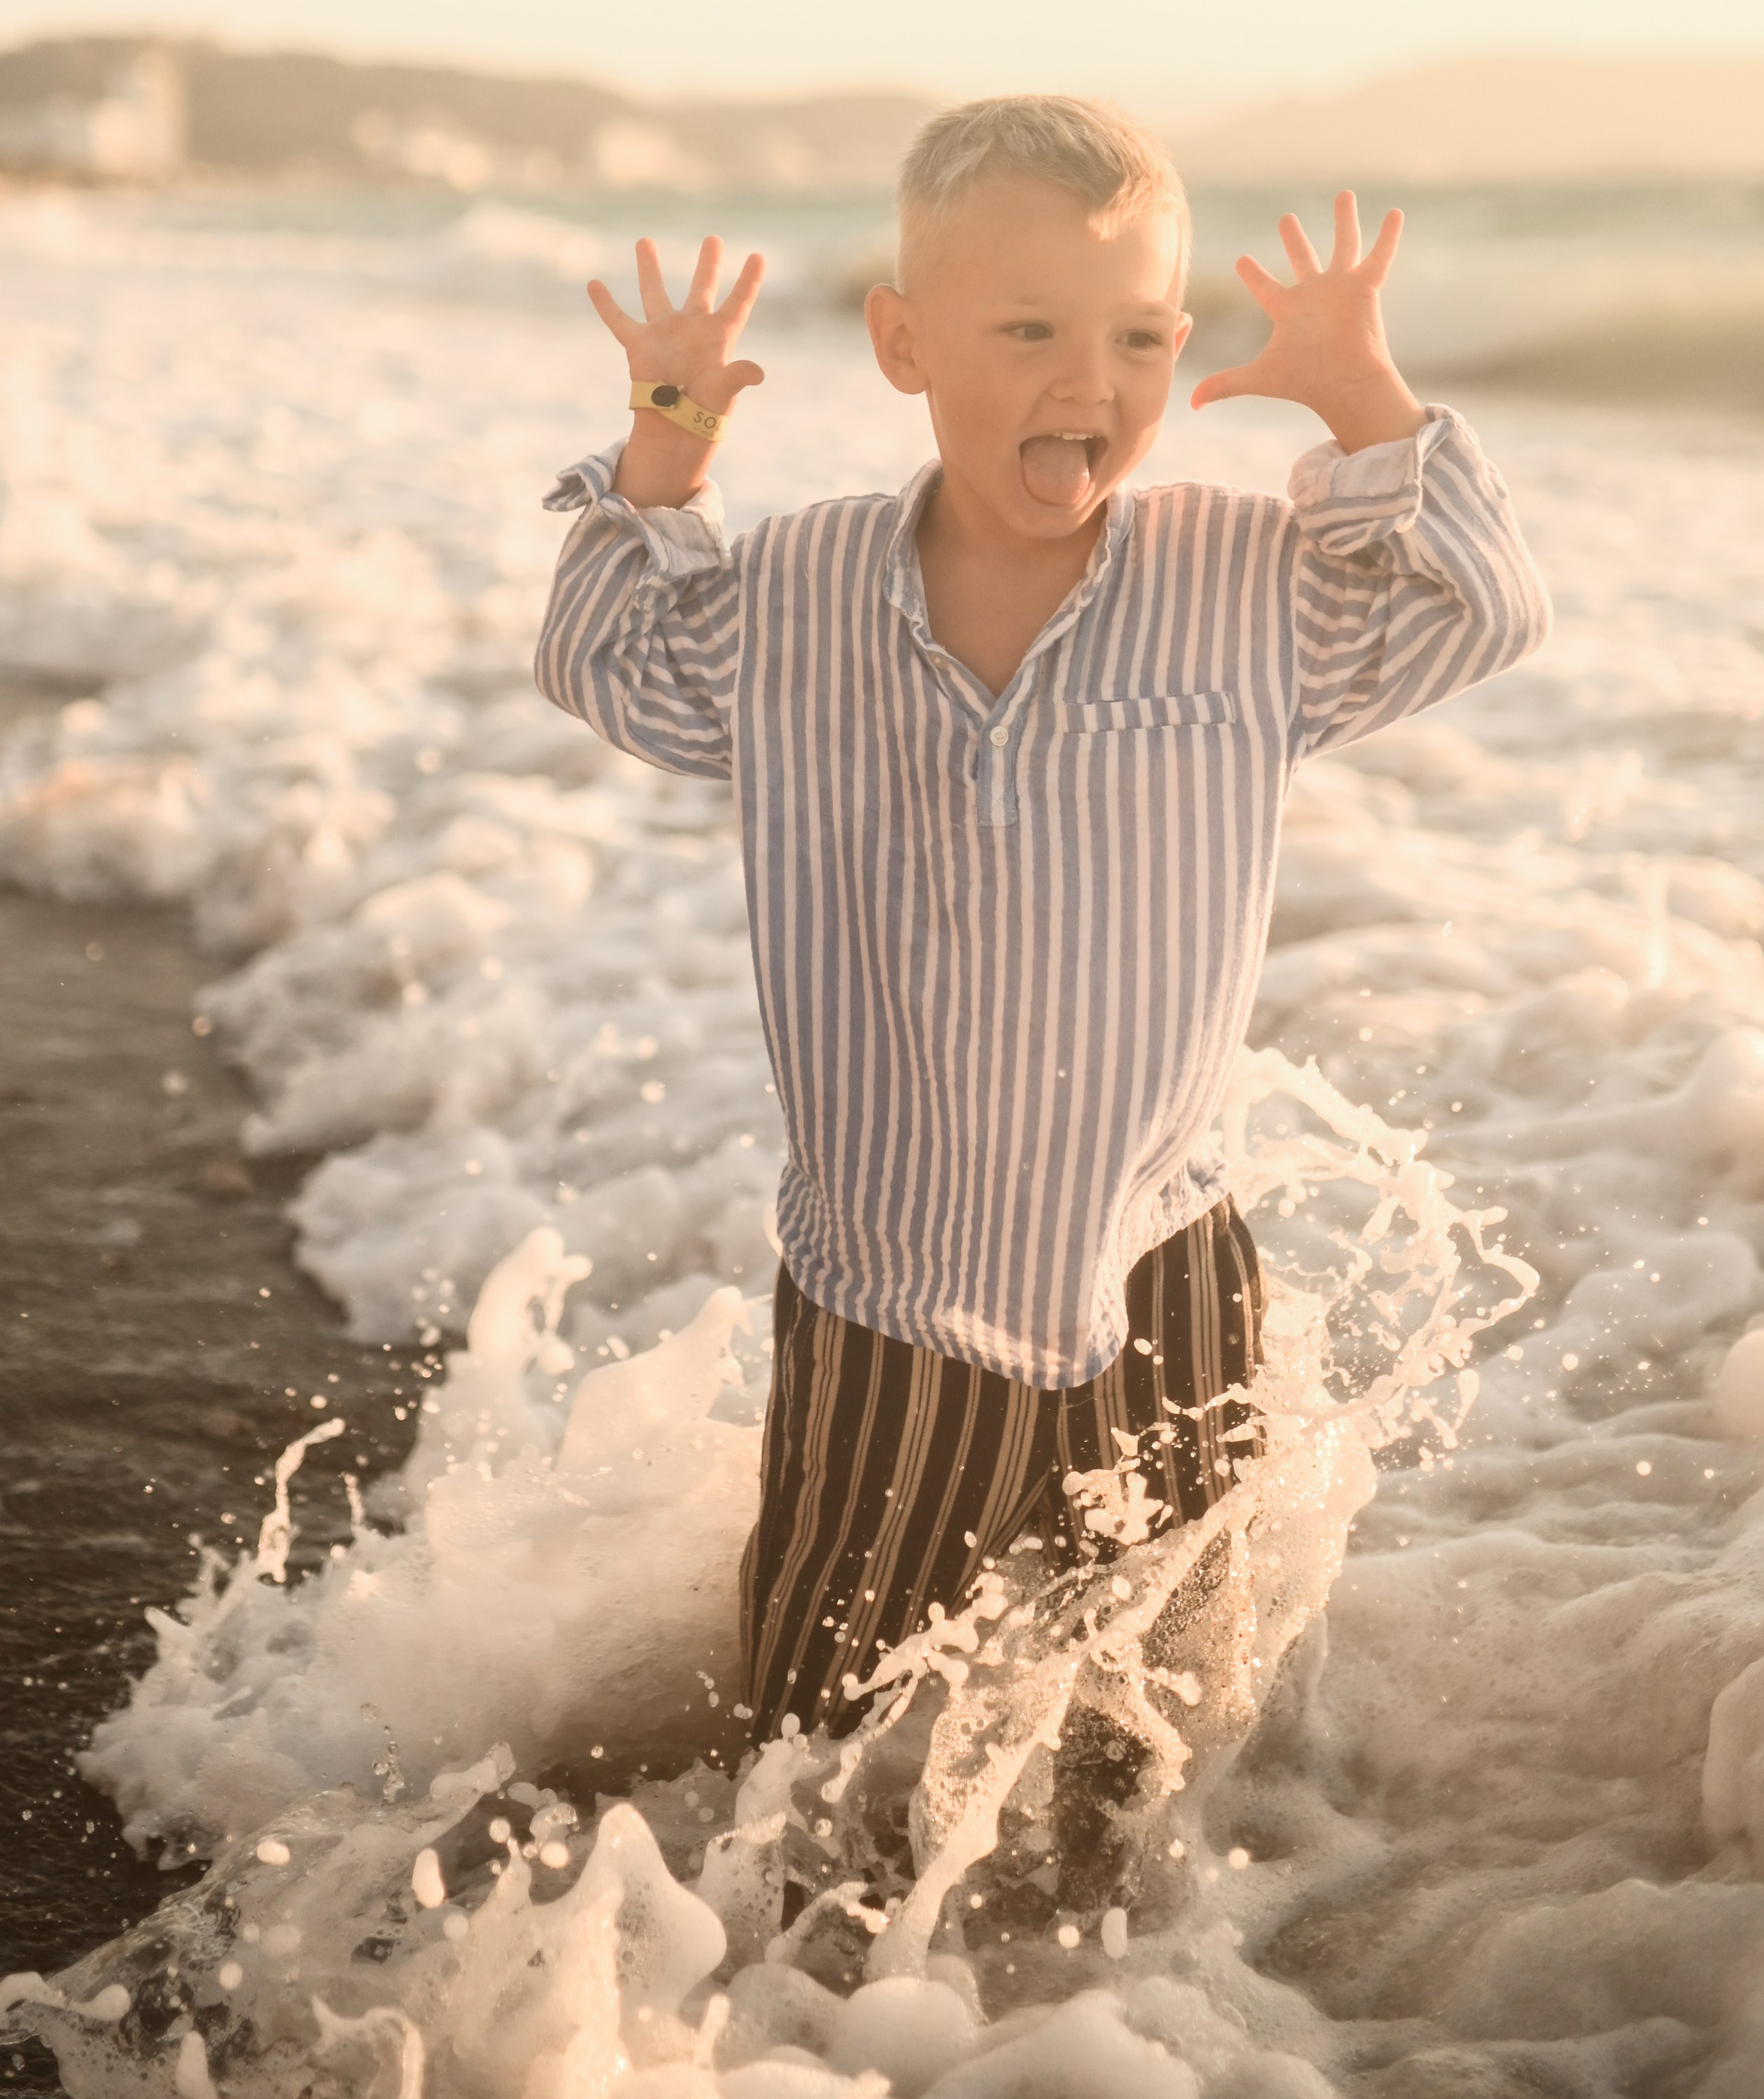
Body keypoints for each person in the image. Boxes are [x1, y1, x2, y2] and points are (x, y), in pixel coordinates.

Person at [534, 95, 1549, 1746]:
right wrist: (670, 438)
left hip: (1163, 1257)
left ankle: (1129, 1915)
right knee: (818, 1737)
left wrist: (1365, 397)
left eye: (1137, 336)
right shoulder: (795, 594)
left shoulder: (1244, 584)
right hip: (894, 1286)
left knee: (1160, 1716)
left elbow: (1483, 607)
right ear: (903, 345)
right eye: (1027, 332)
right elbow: (608, 661)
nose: (1090, 381)